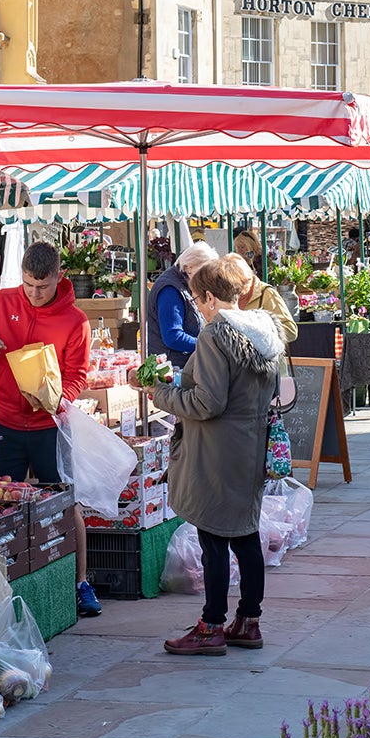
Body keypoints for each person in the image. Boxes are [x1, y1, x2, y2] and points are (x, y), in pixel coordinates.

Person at [135, 256, 282, 656]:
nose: (197, 307)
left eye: (198, 300)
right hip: (248, 446)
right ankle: (249, 620)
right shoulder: (263, 329)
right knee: (246, 535)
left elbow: (208, 401)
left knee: (214, 538)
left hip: (215, 450)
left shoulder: (217, 335)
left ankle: (211, 625)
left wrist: (161, 394)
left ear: (210, 298)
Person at [0, 241, 101, 618]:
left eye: (43, 287)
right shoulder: (0, 303)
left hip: (49, 425)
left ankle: (80, 582)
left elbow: (78, 376)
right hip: (5, 420)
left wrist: (58, 399)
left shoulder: (76, 321)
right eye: (28, 286)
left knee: (64, 502)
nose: (35, 294)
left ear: (58, 277)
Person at [147, 241, 217, 368]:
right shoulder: (170, 289)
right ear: (190, 268)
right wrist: (208, 345)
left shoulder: (182, 284)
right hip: (170, 369)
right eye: (204, 273)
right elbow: (173, 336)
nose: (206, 279)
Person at [226, 254, 297, 345]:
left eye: (239, 285)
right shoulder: (224, 294)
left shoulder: (266, 293)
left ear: (248, 279)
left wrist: (258, 331)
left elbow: (291, 331)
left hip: (263, 357)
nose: (236, 290)